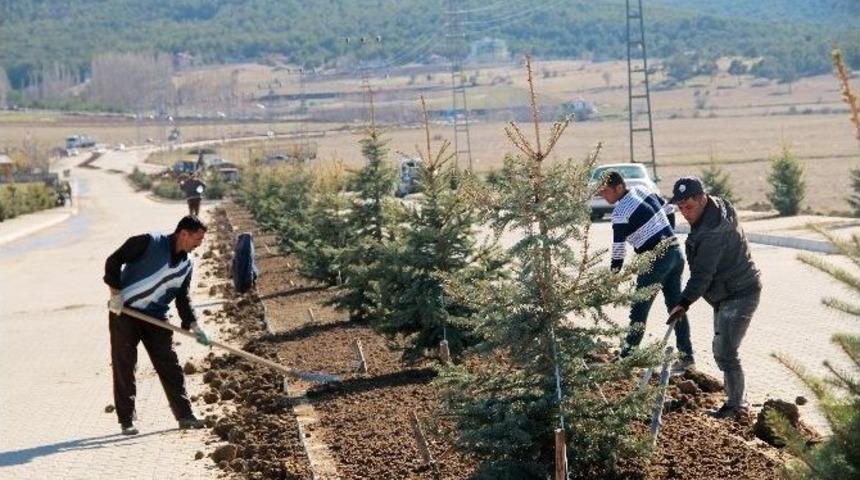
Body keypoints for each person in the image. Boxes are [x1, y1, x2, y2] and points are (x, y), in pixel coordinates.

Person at [104, 215, 213, 435]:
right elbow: (113, 260)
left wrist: (194, 325)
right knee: (125, 365)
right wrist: (115, 293)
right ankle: (126, 420)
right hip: (125, 312)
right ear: (184, 233)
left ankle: (185, 416)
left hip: (156, 317)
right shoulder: (148, 242)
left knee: (170, 365)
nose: (199, 244)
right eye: (197, 239)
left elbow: (182, 297)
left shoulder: (186, 264)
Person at [667, 176, 761, 419]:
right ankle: (734, 401)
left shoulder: (713, 232)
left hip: (740, 293)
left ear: (702, 199)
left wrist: (683, 302)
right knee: (722, 348)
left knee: (726, 351)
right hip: (726, 294)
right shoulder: (714, 210)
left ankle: (736, 406)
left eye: (689, 207)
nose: (685, 214)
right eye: (680, 208)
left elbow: (702, 277)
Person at [598, 171, 694, 374]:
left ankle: (627, 358)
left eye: (606, 191)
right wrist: (667, 234)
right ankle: (687, 357)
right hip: (675, 252)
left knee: (639, 309)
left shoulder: (620, 212)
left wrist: (614, 275)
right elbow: (668, 209)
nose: (603, 196)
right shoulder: (643, 191)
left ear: (619, 187)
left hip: (655, 260)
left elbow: (618, 249)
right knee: (676, 307)